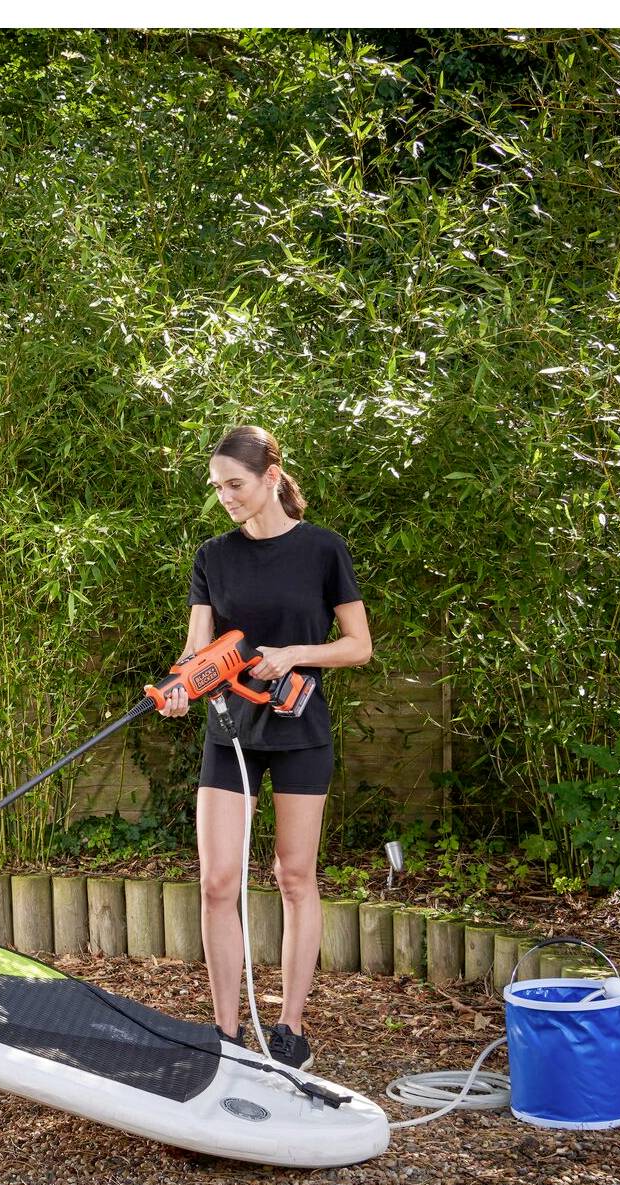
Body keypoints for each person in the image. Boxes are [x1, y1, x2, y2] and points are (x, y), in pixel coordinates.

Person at [154, 426, 371, 1071]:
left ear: (271, 478)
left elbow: (358, 645)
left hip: (301, 731)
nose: (225, 496)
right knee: (218, 883)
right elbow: (197, 651)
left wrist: (296, 655)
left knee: (295, 876)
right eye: (218, 486)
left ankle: (291, 1028)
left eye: (235, 484)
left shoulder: (323, 550)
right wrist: (178, 690)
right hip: (230, 733)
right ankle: (226, 1033)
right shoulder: (213, 556)